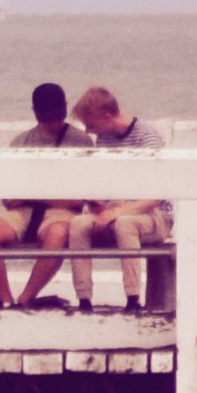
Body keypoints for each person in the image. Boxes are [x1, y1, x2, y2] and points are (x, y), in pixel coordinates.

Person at [0, 82, 84, 306]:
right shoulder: (20, 142)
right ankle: (5, 299)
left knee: (58, 233)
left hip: (60, 211)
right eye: (48, 117)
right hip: (23, 210)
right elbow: (10, 199)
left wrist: (35, 195)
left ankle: (26, 298)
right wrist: (45, 194)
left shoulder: (80, 141)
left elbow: (76, 201)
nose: (53, 122)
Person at [67, 82, 166, 316]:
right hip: (114, 210)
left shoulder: (147, 138)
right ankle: (84, 299)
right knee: (78, 224)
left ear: (108, 115)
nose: (89, 131)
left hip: (151, 214)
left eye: (91, 124)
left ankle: (133, 298)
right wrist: (96, 200)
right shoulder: (105, 140)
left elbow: (156, 195)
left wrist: (115, 212)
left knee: (125, 224)